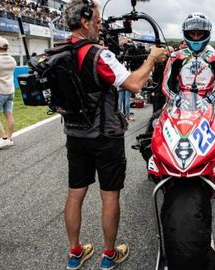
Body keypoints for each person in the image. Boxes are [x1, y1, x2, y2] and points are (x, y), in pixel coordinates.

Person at [61, 1, 166, 269]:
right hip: (105, 134)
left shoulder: (59, 49)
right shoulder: (99, 55)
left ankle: (75, 253)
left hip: (74, 133)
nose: (100, 24)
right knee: (110, 195)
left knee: (75, 193)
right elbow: (133, 84)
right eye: (97, 20)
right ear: (84, 21)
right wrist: (152, 58)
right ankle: (109, 255)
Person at [162, 12, 215, 127]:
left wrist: (210, 100)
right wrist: (176, 98)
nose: (196, 37)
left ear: (207, 33)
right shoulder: (176, 56)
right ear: (186, 34)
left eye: (200, 34)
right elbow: (167, 85)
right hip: (180, 104)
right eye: (192, 34)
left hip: (207, 104)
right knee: (157, 126)